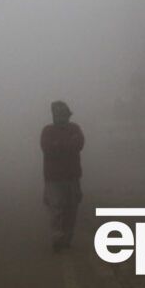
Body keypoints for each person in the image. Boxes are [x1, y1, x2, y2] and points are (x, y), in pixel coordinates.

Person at [40, 100, 85, 252]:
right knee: (57, 209)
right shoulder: (47, 131)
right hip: (54, 178)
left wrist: (58, 145)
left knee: (71, 209)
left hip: (72, 176)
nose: (61, 117)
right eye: (59, 114)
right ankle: (58, 238)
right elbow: (48, 148)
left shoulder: (75, 129)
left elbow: (79, 144)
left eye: (64, 114)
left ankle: (66, 239)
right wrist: (66, 146)